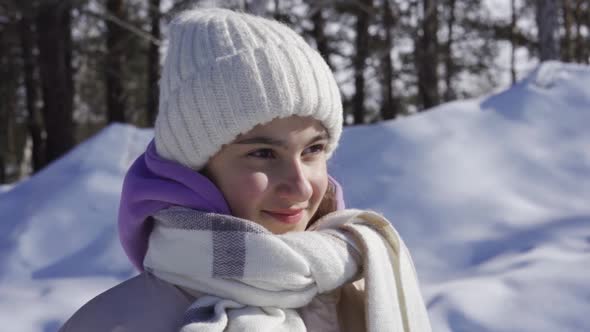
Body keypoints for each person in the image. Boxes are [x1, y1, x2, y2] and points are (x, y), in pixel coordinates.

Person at [59, 7, 431, 332]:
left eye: (313, 150)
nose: (300, 187)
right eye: (263, 154)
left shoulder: (363, 293)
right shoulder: (113, 324)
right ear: (194, 169)